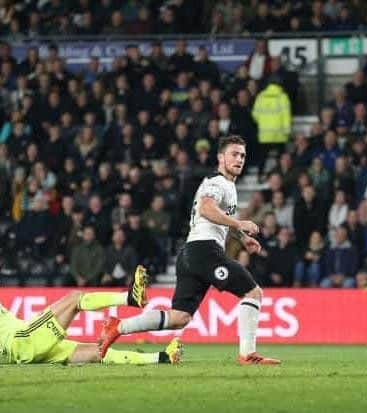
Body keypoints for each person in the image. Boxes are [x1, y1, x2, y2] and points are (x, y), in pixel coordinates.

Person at [98, 135, 280, 365]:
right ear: (220, 157)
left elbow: (216, 218)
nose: (239, 159)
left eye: (242, 155)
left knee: (179, 318)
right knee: (253, 293)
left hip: (190, 252)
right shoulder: (217, 182)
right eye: (234, 154)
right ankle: (248, 354)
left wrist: (241, 237)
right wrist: (239, 224)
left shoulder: (227, 186)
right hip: (204, 251)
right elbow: (206, 209)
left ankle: (117, 326)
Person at [0, 266, 182, 365]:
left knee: (98, 352)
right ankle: (131, 297)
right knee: (74, 299)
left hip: (26, 346)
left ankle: (162, 358)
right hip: (22, 341)